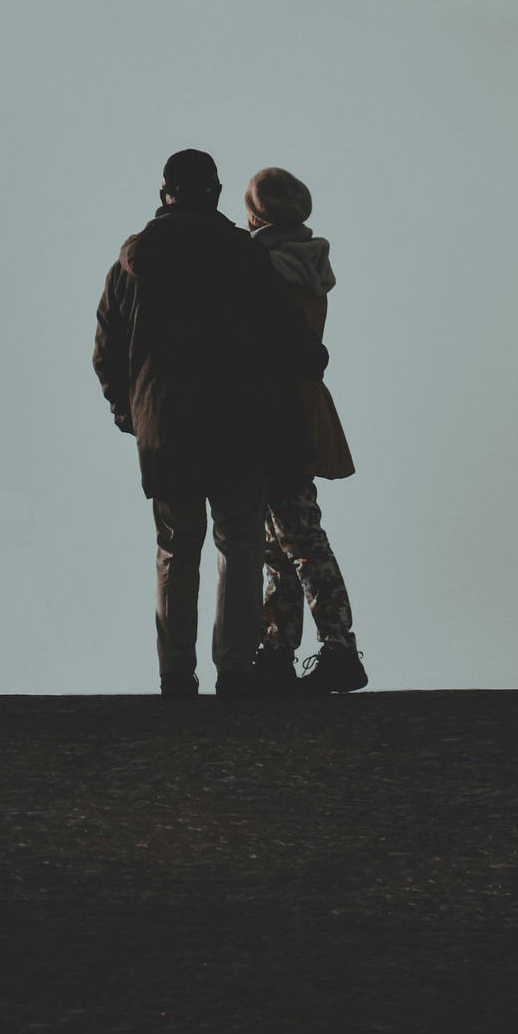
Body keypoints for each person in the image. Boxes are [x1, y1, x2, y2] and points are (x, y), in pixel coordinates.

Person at [93, 149, 328, 698]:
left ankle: (176, 675)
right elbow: (285, 332)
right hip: (239, 424)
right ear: (217, 193)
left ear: (163, 194)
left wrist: (129, 412)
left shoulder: (133, 261)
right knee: (240, 542)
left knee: (176, 547)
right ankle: (235, 670)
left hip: (165, 427)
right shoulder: (242, 256)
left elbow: (106, 351)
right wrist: (311, 363)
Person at [245, 166, 368, 695]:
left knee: (293, 537)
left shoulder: (261, 266)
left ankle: (328, 647)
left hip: (271, 409)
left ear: (257, 211)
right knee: (287, 531)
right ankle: (284, 646)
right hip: (303, 404)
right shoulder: (310, 262)